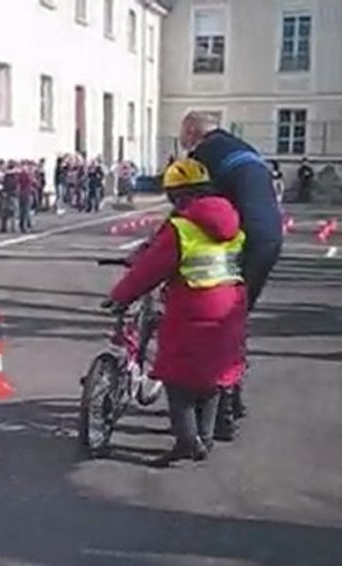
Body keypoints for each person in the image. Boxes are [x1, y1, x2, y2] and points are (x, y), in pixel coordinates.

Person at [107, 159, 247, 467]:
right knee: (214, 375)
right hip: (231, 305)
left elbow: (151, 269)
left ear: (177, 196)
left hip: (192, 307)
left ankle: (186, 442)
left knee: (176, 377)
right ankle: (204, 440)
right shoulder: (231, 222)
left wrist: (120, 296)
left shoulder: (182, 227)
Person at [180, 111, 284, 435]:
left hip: (245, 239)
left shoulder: (203, 155)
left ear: (193, 131)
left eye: (183, 133)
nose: (182, 140)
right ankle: (232, 397)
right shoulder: (242, 147)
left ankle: (219, 407)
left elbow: (191, 205)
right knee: (235, 318)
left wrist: (161, 245)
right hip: (269, 236)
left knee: (214, 319)